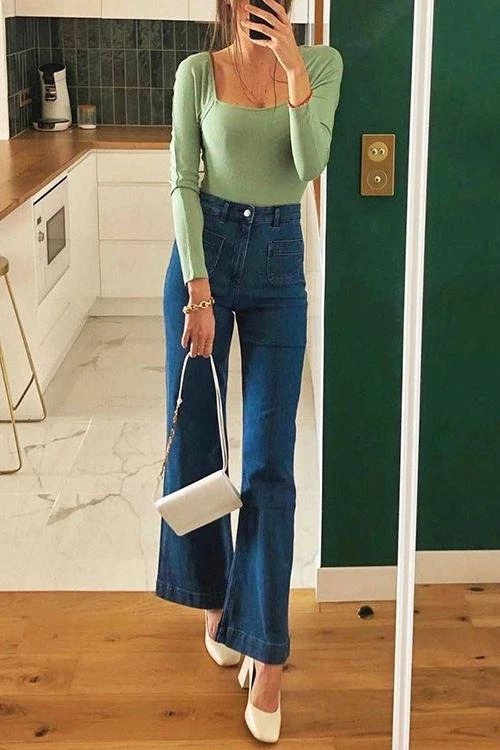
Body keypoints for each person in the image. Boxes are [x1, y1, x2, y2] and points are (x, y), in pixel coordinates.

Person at [155, 0, 343, 742]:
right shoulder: (197, 73)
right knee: (199, 448)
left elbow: (309, 165)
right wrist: (197, 288)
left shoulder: (320, 64)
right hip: (202, 263)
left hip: (277, 266)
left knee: (270, 464)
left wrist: (293, 68)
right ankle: (217, 606)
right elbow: (182, 180)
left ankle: (268, 657)